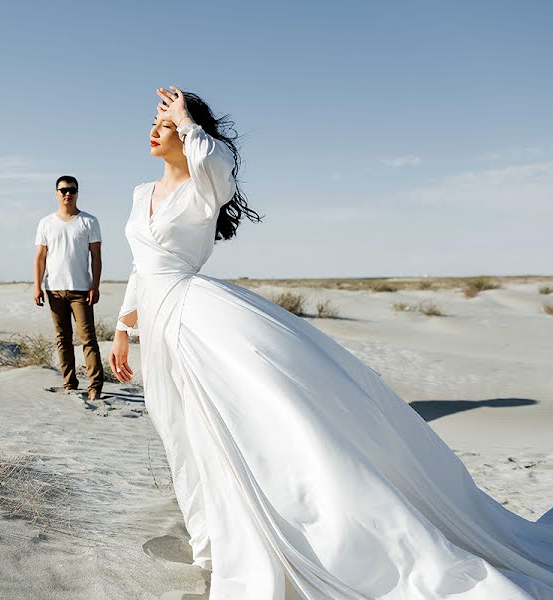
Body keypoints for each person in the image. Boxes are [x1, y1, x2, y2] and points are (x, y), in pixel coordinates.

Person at [108, 86, 553, 599]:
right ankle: (213, 538)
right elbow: (142, 270)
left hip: (196, 316)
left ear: (189, 134)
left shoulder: (207, 184)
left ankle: (303, 537)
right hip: (159, 326)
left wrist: (188, 120)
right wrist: (124, 329)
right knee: (182, 432)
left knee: (251, 424)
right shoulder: (142, 194)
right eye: (157, 122)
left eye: (166, 124)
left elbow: (217, 161)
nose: (156, 129)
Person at [33, 175, 105, 401]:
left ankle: (95, 385)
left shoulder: (89, 222)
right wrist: (37, 286)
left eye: (72, 190)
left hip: (81, 290)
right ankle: (70, 382)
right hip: (53, 290)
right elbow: (40, 258)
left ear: (77, 193)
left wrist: (95, 285)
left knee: (87, 339)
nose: (67, 193)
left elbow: (96, 257)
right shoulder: (46, 223)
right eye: (63, 190)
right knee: (62, 338)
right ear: (56, 193)